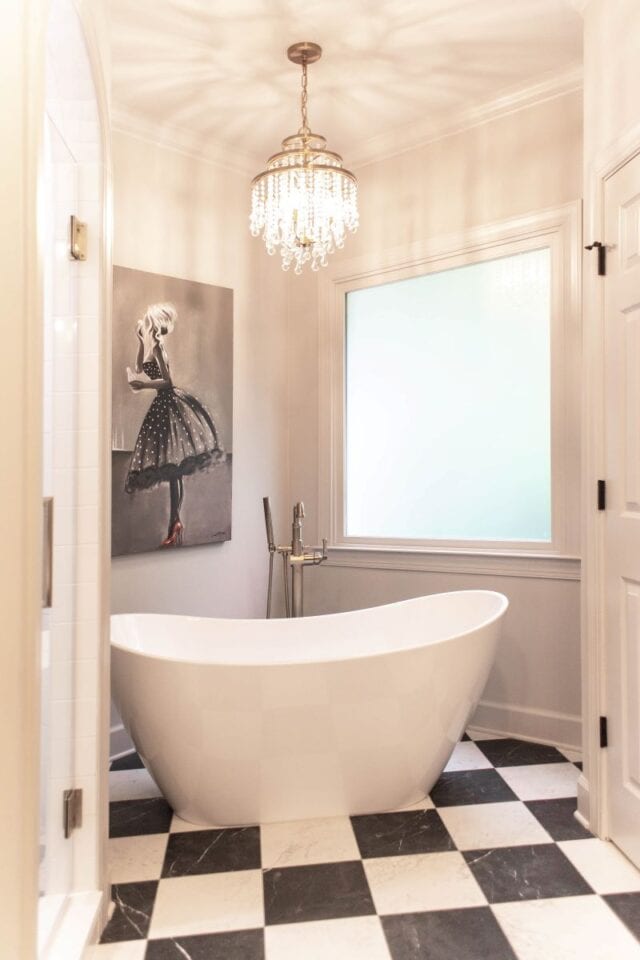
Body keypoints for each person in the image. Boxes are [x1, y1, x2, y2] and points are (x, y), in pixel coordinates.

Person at [125, 302, 224, 547]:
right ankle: (175, 522)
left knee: (174, 468)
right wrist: (139, 341)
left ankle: (175, 523)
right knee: (172, 470)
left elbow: (167, 382)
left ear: (153, 324)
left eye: (148, 322)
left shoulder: (158, 347)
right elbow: (139, 368)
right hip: (161, 405)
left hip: (167, 403)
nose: (146, 324)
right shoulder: (151, 347)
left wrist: (144, 386)